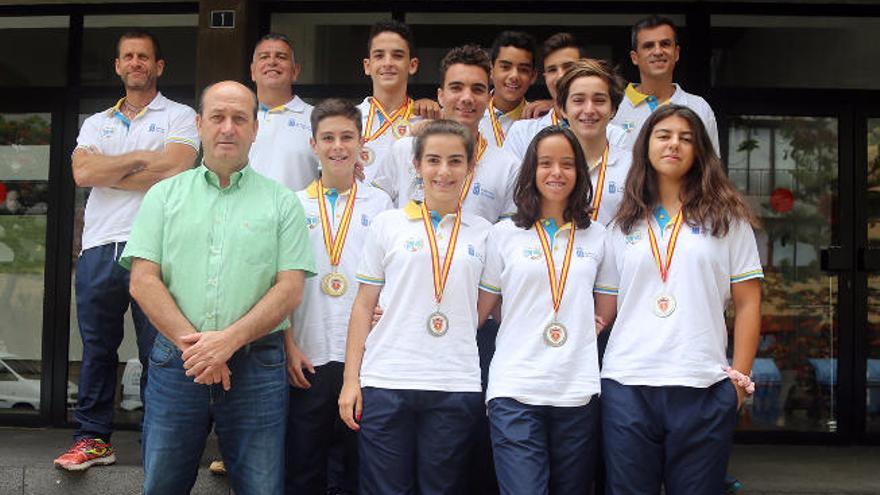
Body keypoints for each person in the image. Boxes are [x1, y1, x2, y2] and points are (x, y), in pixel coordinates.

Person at [121, 81, 316, 494]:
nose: (228, 128)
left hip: (257, 364)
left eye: (239, 118)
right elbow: (143, 280)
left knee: (262, 488)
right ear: (199, 125)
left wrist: (227, 342)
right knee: (162, 485)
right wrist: (199, 348)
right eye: (217, 117)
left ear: (255, 128)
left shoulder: (283, 203)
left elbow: (289, 289)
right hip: (177, 362)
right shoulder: (162, 196)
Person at [54, 30, 199, 472]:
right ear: (118, 66)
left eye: (144, 57)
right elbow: (82, 172)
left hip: (158, 248)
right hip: (100, 246)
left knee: (161, 348)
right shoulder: (96, 121)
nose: (136, 63)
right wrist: (140, 159)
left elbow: (175, 168)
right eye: (128, 57)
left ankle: (161, 437)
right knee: (98, 349)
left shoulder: (180, 115)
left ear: (158, 67)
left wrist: (110, 169)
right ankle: (93, 439)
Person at [600, 104, 761, 494]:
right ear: (646, 148)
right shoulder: (622, 225)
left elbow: (748, 304)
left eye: (685, 138)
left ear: (699, 152)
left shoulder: (728, 221)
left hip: (702, 384)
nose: (674, 144)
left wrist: (737, 385)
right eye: (664, 135)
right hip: (627, 384)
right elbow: (602, 312)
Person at [339, 120, 491, 494]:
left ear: (470, 166)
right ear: (417, 165)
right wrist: (350, 380)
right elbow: (363, 306)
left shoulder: (486, 233)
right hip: (387, 379)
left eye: (455, 161)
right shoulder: (387, 225)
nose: (444, 171)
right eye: (434, 160)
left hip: (454, 382)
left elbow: (483, 306)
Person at [477, 126, 616, 494]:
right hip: (515, 387)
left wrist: (585, 323)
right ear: (531, 171)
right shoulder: (503, 234)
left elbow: (606, 306)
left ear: (580, 173)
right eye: (546, 163)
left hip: (577, 389)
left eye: (567, 164)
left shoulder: (598, 236)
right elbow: (482, 308)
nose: (557, 172)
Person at [285, 98, 393, 494]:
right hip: (307, 353)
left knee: (356, 465)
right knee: (303, 465)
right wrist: (288, 343)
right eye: (327, 138)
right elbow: (280, 285)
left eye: (347, 137)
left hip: (361, 357)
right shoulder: (292, 205)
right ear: (313, 145)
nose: (337, 146)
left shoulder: (382, 205)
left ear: (362, 143)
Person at [372, 44, 519, 224]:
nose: (466, 98)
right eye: (456, 88)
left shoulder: (507, 167)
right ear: (441, 96)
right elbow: (376, 215)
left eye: (477, 89)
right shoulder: (404, 149)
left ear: (488, 99)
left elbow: (506, 240)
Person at [504, 33, 625, 161]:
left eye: (568, 67)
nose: (560, 76)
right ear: (544, 77)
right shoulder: (523, 133)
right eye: (552, 70)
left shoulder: (615, 135)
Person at [611, 15, 720, 152]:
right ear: (635, 57)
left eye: (665, 44)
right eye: (648, 46)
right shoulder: (614, 107)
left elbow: (711, 168)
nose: (657, 51)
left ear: (676, 53)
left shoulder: (699, 108)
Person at [357, 20, 440, 183]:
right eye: (379, 56)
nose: (388, 63)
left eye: (397, 55)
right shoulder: (348, 119)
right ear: (367, 66)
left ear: (412, 65)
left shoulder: (427, 121)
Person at [555, 59, 630, 227]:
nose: (589, 110)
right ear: (563, 109)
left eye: (599, 100)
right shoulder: (544, 167)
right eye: (578, 100)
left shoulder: (635, 168)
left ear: (613, 109)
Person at [249, 33, 320, 191]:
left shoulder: (318, 119)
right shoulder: (236, 119)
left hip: (298, 215)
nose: (272, 62)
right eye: (264, 57)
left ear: (295, 71)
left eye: (281, 57)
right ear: (253, 71)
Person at [478, 31, 537, 147]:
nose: (514, 76)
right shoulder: (472, 114)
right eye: (505, 67)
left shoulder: (539, 121)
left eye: (523, 69)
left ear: (533, 76)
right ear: (491, 70)